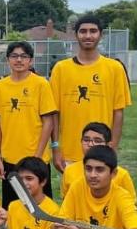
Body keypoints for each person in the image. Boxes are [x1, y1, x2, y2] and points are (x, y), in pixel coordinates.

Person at [50, 15, 132, 173]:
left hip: (102, 151)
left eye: (93, 31)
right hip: (70, 152)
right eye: (83, 31)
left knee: (100, 196)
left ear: (101, 35)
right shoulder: (61, 69)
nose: (88, 36)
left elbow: (118, 112)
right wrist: (55, 147)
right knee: (72, 196)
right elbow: (54, 113)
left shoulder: (114, 68)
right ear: (76, 35)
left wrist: (112, 147)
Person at [0, 40, 57, 206]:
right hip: (10, 160)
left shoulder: (41, 84)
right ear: (8, 60)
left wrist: (37, 158)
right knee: (13, 208)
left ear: (31, 60)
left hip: (36, 158)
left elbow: (48, 122)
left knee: (39, 208)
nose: (19, 60)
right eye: (14, 56)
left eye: (24, 56)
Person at [60, 122, 136, 201]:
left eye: (97, 141)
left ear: (109, 145)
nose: (90, 144)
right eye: (86, 140)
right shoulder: (69, 170)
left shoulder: (121, 174)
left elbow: (132, 205)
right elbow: (66, 203)